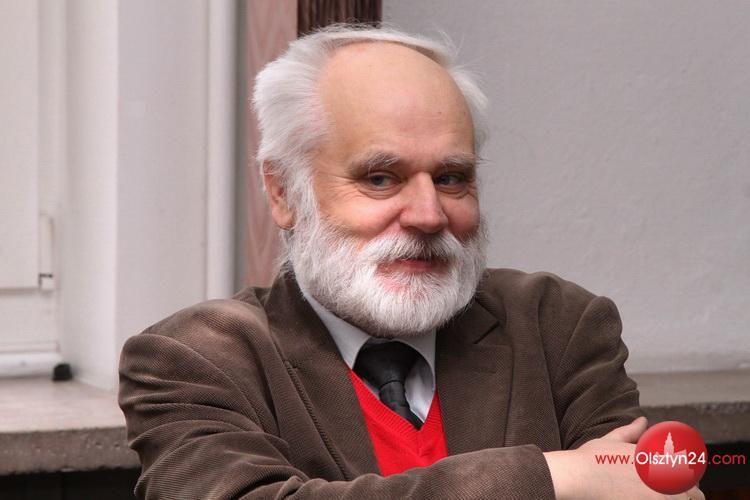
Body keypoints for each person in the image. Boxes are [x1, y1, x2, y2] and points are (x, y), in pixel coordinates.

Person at [119, 25, 703, 499]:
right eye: (380, 178)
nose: (428, 215)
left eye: (451, 178)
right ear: (283, 192)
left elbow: (648, 493)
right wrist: (550, 477)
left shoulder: (557, 326)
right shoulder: (197, 359)